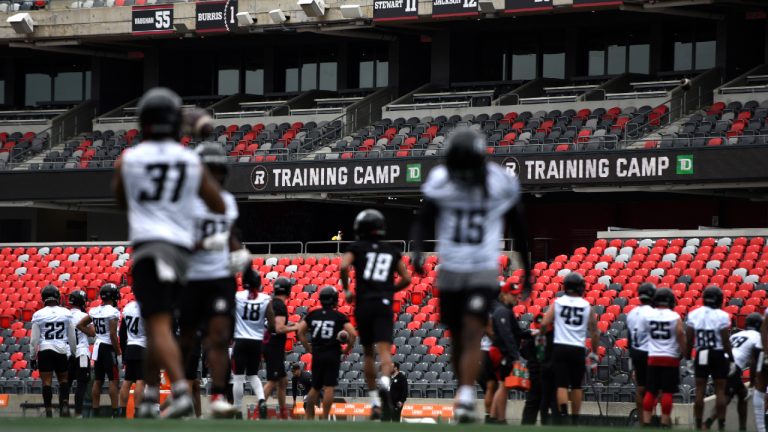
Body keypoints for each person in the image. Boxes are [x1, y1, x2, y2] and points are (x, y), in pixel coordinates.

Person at [112, 87, 225, 418]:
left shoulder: (127, 160)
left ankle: (178, 391)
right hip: (182, 253)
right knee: (157, 325)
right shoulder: (189, 160)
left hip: (150, 246)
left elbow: (122, 201)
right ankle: (148, 397)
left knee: (158, 325)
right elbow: (217, 203)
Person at [410, 128, 530, 423]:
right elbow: (423, 220)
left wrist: (527, 266)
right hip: (450, 266)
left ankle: (464, 396)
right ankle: (463, 389)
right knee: (457, 336)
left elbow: (518, 225)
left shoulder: (500, 181)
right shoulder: (441, 179)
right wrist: (417, 251)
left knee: (473, 327)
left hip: (482, 267)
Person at [178, 142, 243, 418]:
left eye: (217, 171)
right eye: (209, 171)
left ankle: (217, 395)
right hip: (192, 277)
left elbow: (228, 236)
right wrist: (209, 242)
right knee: (189, 339)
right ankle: (181, 391)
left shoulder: (227, 201)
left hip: (219, 277)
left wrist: (241, 255)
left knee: (218, 337)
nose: (214, 176)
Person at [340, 208, 411, 421]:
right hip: (383, 304)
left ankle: (374, 402)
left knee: (368, 353)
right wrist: (390, 290)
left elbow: (343, 265)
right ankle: (386, 386)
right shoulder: (390, 250)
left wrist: (347, 290)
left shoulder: (357, 247)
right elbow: (406, 278)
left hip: (364, 303)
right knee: (385, 353)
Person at [540, 272, 598, 425]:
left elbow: (544, 323)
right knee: (577, 385)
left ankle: (564, 414)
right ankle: (575, 419)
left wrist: (541, 335)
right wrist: (595, 352)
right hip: (577, 348)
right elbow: (594, 331)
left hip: (560, 347)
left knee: (561, 384)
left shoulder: (558, 303)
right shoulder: (586, 306)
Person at [297, 286, 357, 420]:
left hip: (317, 353)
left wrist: (308, 348)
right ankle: (324, 417)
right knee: (329, 387)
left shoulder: (313, 314)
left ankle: (308, 416)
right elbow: (353, 333)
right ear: (335, 300)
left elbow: (300, 331)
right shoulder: (339, 316)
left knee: (315, 387)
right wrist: (347, 349)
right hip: (333, 353)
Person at [704, 312, 762, 431]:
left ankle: (742, 428)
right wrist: (752, 382)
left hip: (719, 362)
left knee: (743, 395)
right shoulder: (757, 337)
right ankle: (707, 423)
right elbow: (753, 362)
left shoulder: (737, 334)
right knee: (727, 397)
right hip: (731, 366)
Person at [686, 286, 732, 431]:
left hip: (702, 353)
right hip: (717, 353)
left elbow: (689, 340)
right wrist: (731, 359)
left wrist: (688, 358)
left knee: (700, 390)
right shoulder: (722, 315)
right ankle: (721, 426)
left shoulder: (694, 314)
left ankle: (698, 426)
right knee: (720, 391)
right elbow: (725, 341)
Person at [31, 285, 77, 418]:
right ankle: (64, 406)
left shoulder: (38, 314)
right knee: (63, 380)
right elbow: (72, 336)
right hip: (61, 349)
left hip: (45, 350)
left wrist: (33, 357)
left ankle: (49, 410)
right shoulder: (66, 313)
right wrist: (73, 353)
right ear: (57, 297)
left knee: (46, 382)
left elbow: (34, 340)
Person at [643, 288, 686, 428]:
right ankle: (665, 422)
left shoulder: (649, 316)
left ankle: (646, 421)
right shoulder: (674, 317)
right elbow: (680, 333)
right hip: (670, 357)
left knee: (651, 391)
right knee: (667, 391)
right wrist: (684, 352)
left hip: (653, 357)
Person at [231, 268, 271, 418]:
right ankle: (261, 400)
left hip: (240, 340)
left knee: (238, 377)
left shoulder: (237, 296)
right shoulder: (265, 298)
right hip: (256, 342)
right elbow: (272, 323)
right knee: (253, 375)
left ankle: (237, 409)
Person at [77, 283, 121, 418]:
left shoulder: (95, 310)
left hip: (97, 346)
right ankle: (115, 412)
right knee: (113, 380)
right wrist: (118, 352)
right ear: (113, 296)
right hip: (108, 347)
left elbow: (80, 324)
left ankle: (95, 411)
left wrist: (93, 334)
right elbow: (113, 335)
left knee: (98, 380)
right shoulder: (113, 312)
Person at [263, 277, 299, 419]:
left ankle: (283, 412)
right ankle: (258, 407)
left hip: (271, 345)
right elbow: (279, 328)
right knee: (273, 381)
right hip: (273, 346)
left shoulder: (273, 303)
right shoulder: (280, 305)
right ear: (288, 291)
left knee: (283, 381)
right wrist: (296, 326)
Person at [488, 281, 523, 424]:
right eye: (513, 295)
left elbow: (516, 332)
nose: (516, 298)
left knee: (502, 385)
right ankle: (500, 419)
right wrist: (515, 357)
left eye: (516, 295)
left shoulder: (504, 309)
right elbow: (506, 334)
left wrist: (529, 333)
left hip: (501, 351)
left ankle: (493, 417)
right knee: (503, 385)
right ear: (504, 294)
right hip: (501, 352)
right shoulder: (502, 311)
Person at [626, 282, 656, 417]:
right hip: (650, 352)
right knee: (653, 389)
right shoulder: (654, 313)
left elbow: (629, 338)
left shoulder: (632, 313)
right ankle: (652, 417)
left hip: (636, 352)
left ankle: (642, 421)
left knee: (640, 388)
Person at [118, 299, 146, 418]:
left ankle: (122, 411)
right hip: (142, 346)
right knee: (140, 380)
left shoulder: (128, 307)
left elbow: (122, 333)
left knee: (127, 380)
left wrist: (124, 351)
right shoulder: (147, 306)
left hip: (130, 346)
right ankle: (137, 411)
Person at [67, 289, 91, 418]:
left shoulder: (64, 314)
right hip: (81, 352)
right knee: (81, 384)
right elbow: (92, 332)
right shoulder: (83, 316)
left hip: (67, 353)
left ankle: (63, 411)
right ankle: (78, 413)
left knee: (66, 383)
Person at [479, 333, 498, 423]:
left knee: (491, 388)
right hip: (489, 352)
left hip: (482, 354)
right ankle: (490, 416)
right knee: (491, 386)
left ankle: (490, 415)